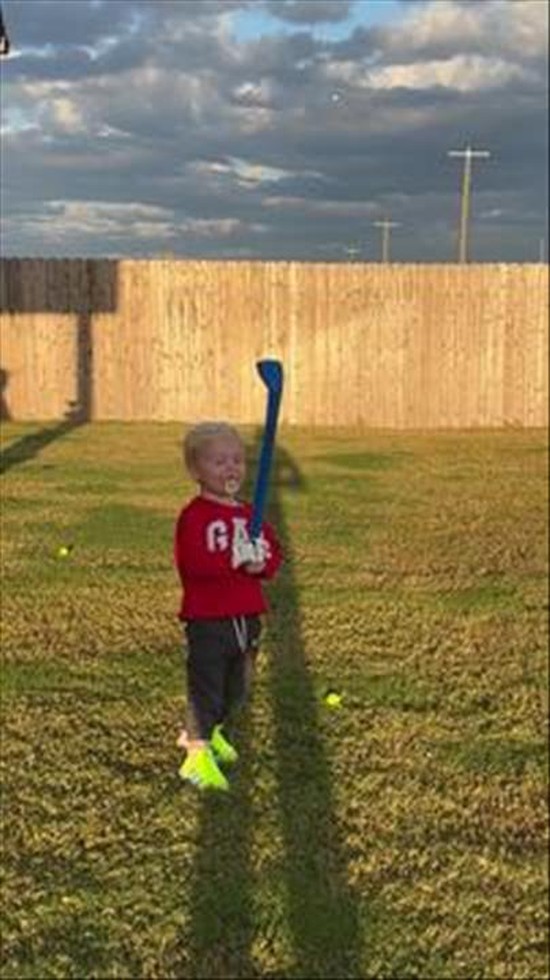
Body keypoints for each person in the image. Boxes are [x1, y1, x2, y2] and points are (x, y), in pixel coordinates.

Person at [174, 421, 283, 792]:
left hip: (247, 616)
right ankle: (196, 754)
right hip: (208, 619)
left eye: (237, 459)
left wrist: (259, 564)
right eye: (219, 461)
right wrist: (232, 560)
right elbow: (192, 564)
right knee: (206, 684)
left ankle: (211, 729)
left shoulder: (250, 515)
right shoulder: (195, 516)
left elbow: (272, 554)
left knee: (237, 685)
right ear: (196, 470)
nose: (231, 468)